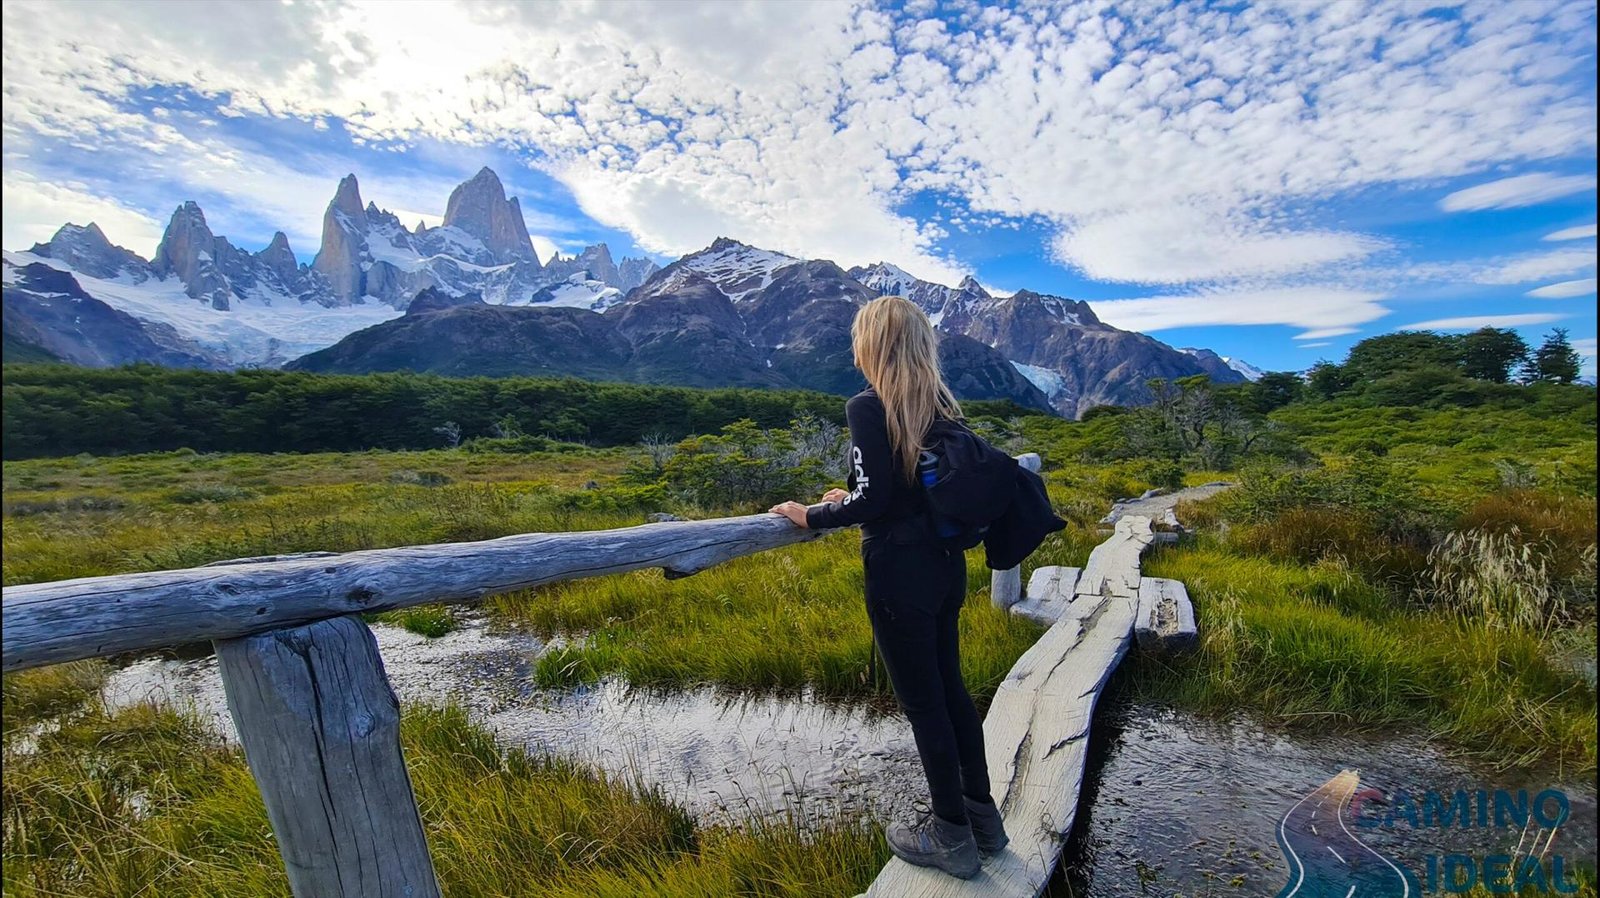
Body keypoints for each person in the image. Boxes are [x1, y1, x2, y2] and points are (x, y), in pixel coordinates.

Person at [769, 295, 1007, 880]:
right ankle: (984, 822)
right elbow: (899, 485)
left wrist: (812, 516)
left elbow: (876, 500)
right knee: (951, 693)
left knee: (923, 703)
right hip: (947, 566)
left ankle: (950, 835)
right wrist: (846, 496)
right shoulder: (940, 405)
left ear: (872, 344)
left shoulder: (867, 405)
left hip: (899, 571)